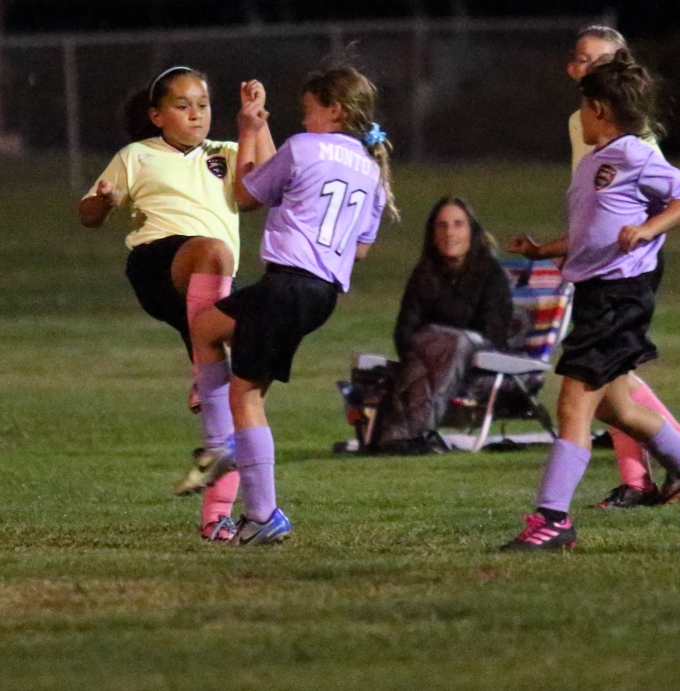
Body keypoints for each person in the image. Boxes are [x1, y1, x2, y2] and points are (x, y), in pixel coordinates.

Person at [501, 50, 680, 551]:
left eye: (582, 107)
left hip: (618, 296)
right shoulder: (594, 163)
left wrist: (648, 229)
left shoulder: (634, 154)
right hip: (595, 295)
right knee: (618, 408)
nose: (579, 117)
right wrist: (542, 250)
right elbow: (592, 232)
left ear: (599, 109)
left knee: (573, 404)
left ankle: (552, 519)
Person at [188, 66, 395, 545]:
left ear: (334, 110)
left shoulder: (303, 147)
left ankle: (262, 512)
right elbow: (361, 249)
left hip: (286, 285)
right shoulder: (371, 169)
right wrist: (261, 126)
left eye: (309, 110)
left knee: (247, 397)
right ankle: (222, 444)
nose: (304, 120)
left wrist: (247, 129)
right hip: (319, 295)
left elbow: (246, 194)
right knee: (206, 327)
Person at [78, 66, 274, 542]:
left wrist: (257, 123)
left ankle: (217, 517)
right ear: (157, 116)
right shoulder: (137, 155)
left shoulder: (226, 152)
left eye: (203, 105)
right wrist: (103, 201)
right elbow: (88, 214)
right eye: (183, 106)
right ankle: (200, 365)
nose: (196, 115)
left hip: (212, 280)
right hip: (157, 266)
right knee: (215, 250)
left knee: (237, 393)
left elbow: (265, 188)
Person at [565, 25, 680, 509]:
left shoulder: (632, 141)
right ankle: (672, 466)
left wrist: (644, 232)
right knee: (612, 388)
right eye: (581, 59)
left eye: (599, 60)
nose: (585, 67)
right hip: (598, 261)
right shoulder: (582, 122)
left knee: (597, 383)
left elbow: (673, 198)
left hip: (625, 266)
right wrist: (563, 245)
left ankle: (678, 455)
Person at [370, 196, 513, 453]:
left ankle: (404, 433)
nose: (450, 233)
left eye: (458, 224)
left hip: (480, 359)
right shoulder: (425, 274)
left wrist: (440, 339)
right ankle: (403, 436)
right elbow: (404, 330)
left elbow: (494, 332)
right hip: (429, 360)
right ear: (433, 234)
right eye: (442, 225)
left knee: (451, 341)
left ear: (471, 232)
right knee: (430, 343)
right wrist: (430, 347)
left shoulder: (490, 275)